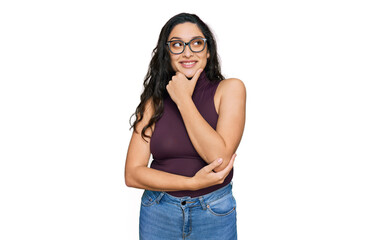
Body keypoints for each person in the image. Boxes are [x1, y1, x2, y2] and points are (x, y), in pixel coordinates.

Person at [125, 12, 246, 240]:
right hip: (158, 211)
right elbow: (132, 174)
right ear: (167, 53)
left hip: (213, 211)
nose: (187, 52)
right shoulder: (154, 102)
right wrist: (191, 183)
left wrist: (183, 99)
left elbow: (218, 159)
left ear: (208, 51)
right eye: (177, 45)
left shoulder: (230, 89)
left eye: (197, 43)